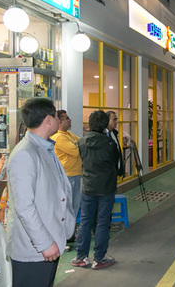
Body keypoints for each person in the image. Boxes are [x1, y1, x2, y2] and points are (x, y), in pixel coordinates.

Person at [6, 98, 74, 287]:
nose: (58, 120)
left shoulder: (44, 148)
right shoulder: (25, 154)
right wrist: (44, 243)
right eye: (55, 116)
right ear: (48, 120)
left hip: (49, 243)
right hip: (35, 249)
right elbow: (24, 207)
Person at [72, 110, 120, 269]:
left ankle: (81, 256)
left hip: (88, 186)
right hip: (106, 187)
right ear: (105, 124)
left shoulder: (82, 142)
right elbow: (115, 163)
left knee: (85, 221)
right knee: (102, 222)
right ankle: (99, 258)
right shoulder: (109, 143)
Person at [52, 110, 82, 223]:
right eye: (67, 118)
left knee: (74, 205)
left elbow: (82, 142)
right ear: (60, 122)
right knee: (68, 207)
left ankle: (71, 230)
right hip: (67, 176)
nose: (70, 120)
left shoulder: (68, 135)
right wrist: (77, 146)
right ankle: (66, 233)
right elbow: (76, 151)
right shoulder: (59, 137)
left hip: (75, 175)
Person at [106, 111, 125, 178]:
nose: (116, 122)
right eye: (114, 119)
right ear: (107, 120)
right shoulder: (104, 136)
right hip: (108, 173)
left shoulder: (114, 133)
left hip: (114, 172)